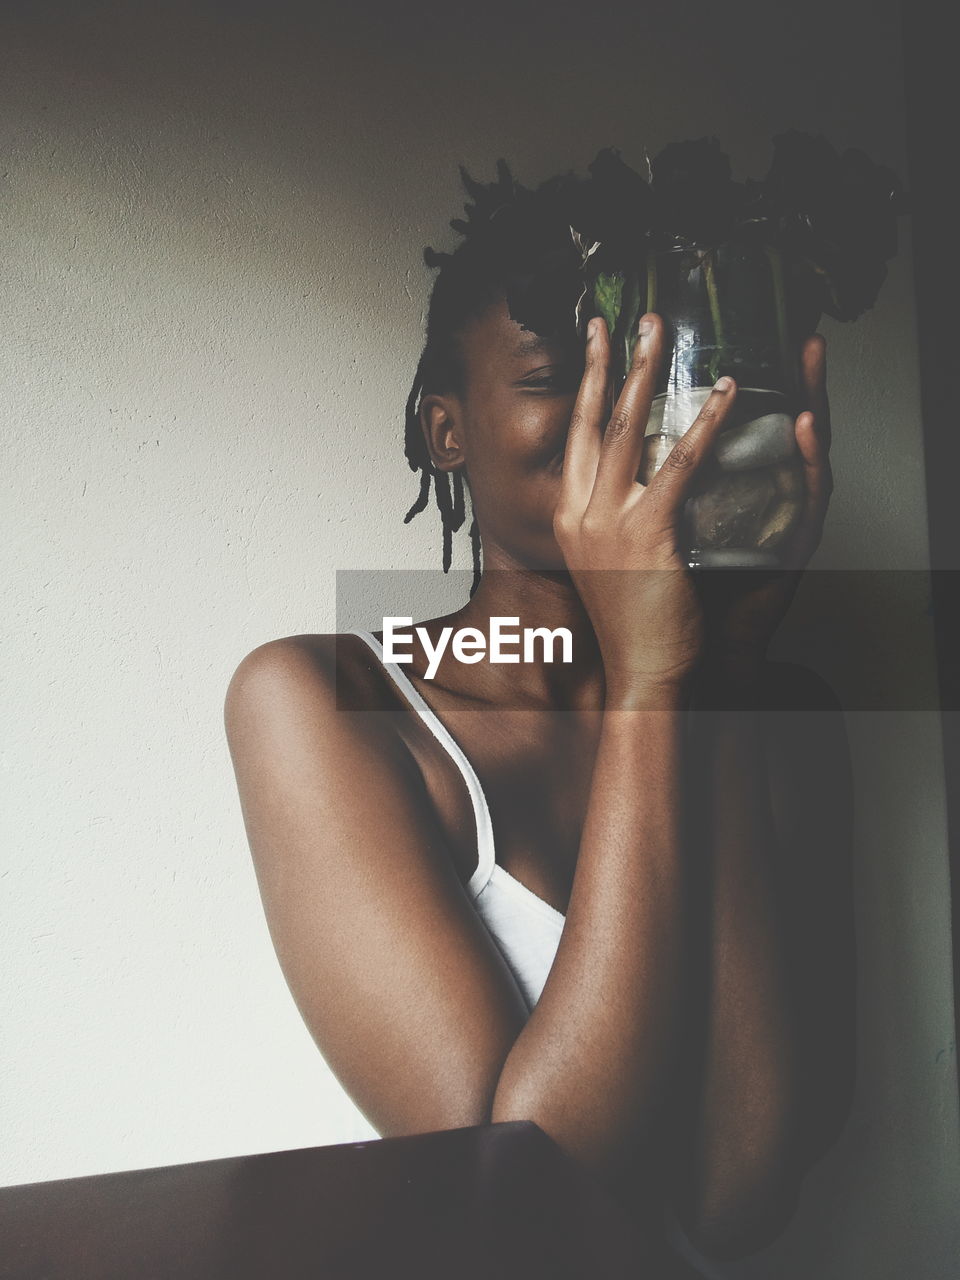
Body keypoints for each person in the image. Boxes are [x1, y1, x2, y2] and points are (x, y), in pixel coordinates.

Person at [224, 161, 856, 1276]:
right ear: (446, 427)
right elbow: (520, 1207)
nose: (617, 410)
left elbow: (741, 1196)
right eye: (564, 373)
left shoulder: (778, 705)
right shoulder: (326, 706)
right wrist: (654, 680)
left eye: (651, 369)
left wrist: (712, 678)